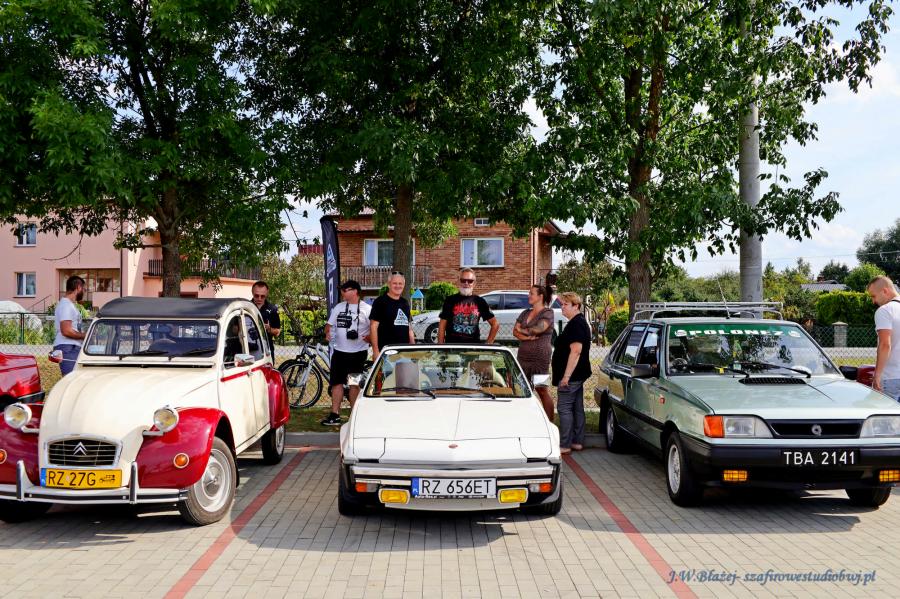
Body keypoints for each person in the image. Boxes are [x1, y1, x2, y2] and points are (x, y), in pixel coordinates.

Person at [320, 280, 372, 426]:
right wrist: (328, 333)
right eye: (341, 290)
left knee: (354, 384)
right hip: (339, 352)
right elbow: (328, 326)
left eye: (345, 290)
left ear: (355, 291)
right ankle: (335, 415)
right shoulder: (339, 307)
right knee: (336, 383)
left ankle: (354, 416)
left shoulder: (367, 309)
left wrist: (369, 338)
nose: (342, 292)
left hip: (358, 353)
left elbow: (374, 329)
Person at [552, 292, 592, 454]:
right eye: (561, 304)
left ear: (576, 306)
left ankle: (565, 444)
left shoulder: (576, 324)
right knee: (576, 408)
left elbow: (576, 351)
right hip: (577, 374)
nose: (562, 307)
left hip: (572, 376)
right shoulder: (577, 322)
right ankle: (577, 442)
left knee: (564, 408)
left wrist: (566, 377)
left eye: (565, 304)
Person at [514, 284, 556, 421]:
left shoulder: (548, 313)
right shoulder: (525, 313)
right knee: (521, 390)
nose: (529, 296)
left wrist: (522, 330)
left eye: (531, 293)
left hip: (540, 359)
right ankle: (525, 421)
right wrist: (527, 337)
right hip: (523, 357)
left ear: (540, 296)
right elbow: (514, 331)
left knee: (542, 390)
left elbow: (539, 329)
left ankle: (549, 423)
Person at [437, 268, 499, 344]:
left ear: (474, 283)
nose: (466, 283)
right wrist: (441, 347)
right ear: (458, 282)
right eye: (463, 280)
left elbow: (495, 324)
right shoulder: (449, 300)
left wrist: (488, 344)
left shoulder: (480, 301)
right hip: (452, 347)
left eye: (470, 281)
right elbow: (442, 325)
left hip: (473, 348)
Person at [867, 275, 900, 400]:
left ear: (885, 291)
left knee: (885, 413)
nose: (873, 301)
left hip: (891, 378)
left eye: (873, 296)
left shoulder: (885, 311)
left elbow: (885, 344)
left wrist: (877, 375)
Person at [369, 271, 415, 360]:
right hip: (386, 353)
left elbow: (409, 327)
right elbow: (373, 327)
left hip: (404, 352)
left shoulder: (405, 303)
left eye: (400, 283)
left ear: (404, 285)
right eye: (395, 283)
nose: (398, 286)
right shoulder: (380, 302)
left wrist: (413, 347)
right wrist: (375, 351)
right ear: (389, 284)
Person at [53, 275, 86, 376]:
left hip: (71, 347)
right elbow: (66, 331)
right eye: (84, 289)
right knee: (71, 379)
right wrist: (85, 335)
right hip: (68, 347)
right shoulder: (66, 305)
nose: (84, 292)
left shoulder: (69, 305)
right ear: (78, 287)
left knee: (75, 379)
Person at [251, 281, 281, 357]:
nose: (259, 298)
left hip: (267, 351)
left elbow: (277, 332)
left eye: (262, 296)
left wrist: (269, 329)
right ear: (252, 292)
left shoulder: (273, 309)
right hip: (249, 351)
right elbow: (235, 330)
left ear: (267, 294)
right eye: (256, 296)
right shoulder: (246, 307)